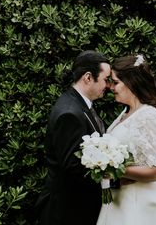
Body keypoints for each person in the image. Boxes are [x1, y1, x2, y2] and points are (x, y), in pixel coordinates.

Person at [97, 54, 156, 225]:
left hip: (143, 203)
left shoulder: (149, 116)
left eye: (116, 82)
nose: (111, 87)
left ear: (132, 82)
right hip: (120, 200)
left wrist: (115, 170)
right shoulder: (126, 113)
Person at [36, 50, 112, 225]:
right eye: (105, 79)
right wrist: (111, 176)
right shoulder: (70, 113)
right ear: (88, 77)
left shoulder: (80, 104)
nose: (107, 85)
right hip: (68, 211)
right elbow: (73, 167)